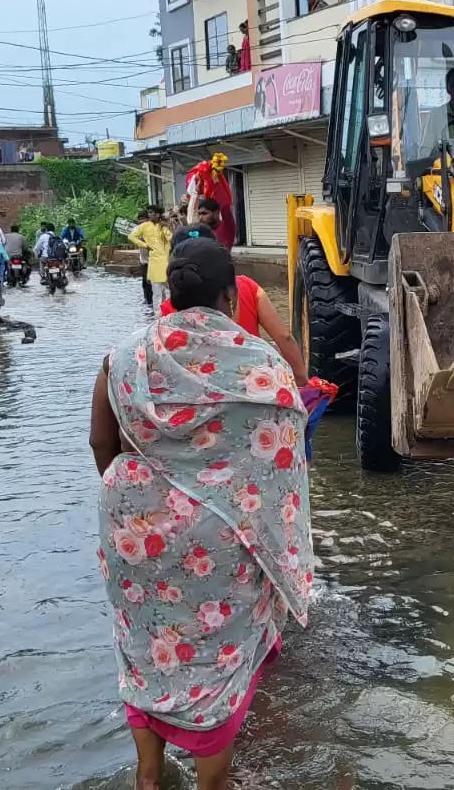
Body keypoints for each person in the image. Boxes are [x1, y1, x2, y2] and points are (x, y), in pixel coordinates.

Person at [87, 237, 315, 790]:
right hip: (222, 539)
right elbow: (278, 468)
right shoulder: (262, 368)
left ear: (170, 293)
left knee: (147, 644)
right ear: (228, 298)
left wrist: (147, 506)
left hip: (133, 528)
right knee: (215, 656)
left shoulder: (123, 357)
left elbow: (102, 445)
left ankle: (149, 774)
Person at [163, 227, 308, 383]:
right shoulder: (249, 288)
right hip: (254, 383)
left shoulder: (168, 310)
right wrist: (302, 382)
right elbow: (284, 337)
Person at [184, 153, 236, 250]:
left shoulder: (226, 227)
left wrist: (215, 177)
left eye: (204, 213)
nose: (200, 217)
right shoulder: (199, 232)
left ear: (216, 213)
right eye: (199, 214)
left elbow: (224, 204)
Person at [127, 207, 170, 313]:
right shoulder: (144, 226)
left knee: (168, 292)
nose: (150, 215)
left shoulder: (163, 226)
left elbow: (171, 239)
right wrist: (145, 245)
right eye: (149, 213)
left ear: (158, 215)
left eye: (152, 212)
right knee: (156, 292)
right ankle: (157, 317)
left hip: (166, 261)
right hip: (153, 262)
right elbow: (131, 237)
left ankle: (169, 314)